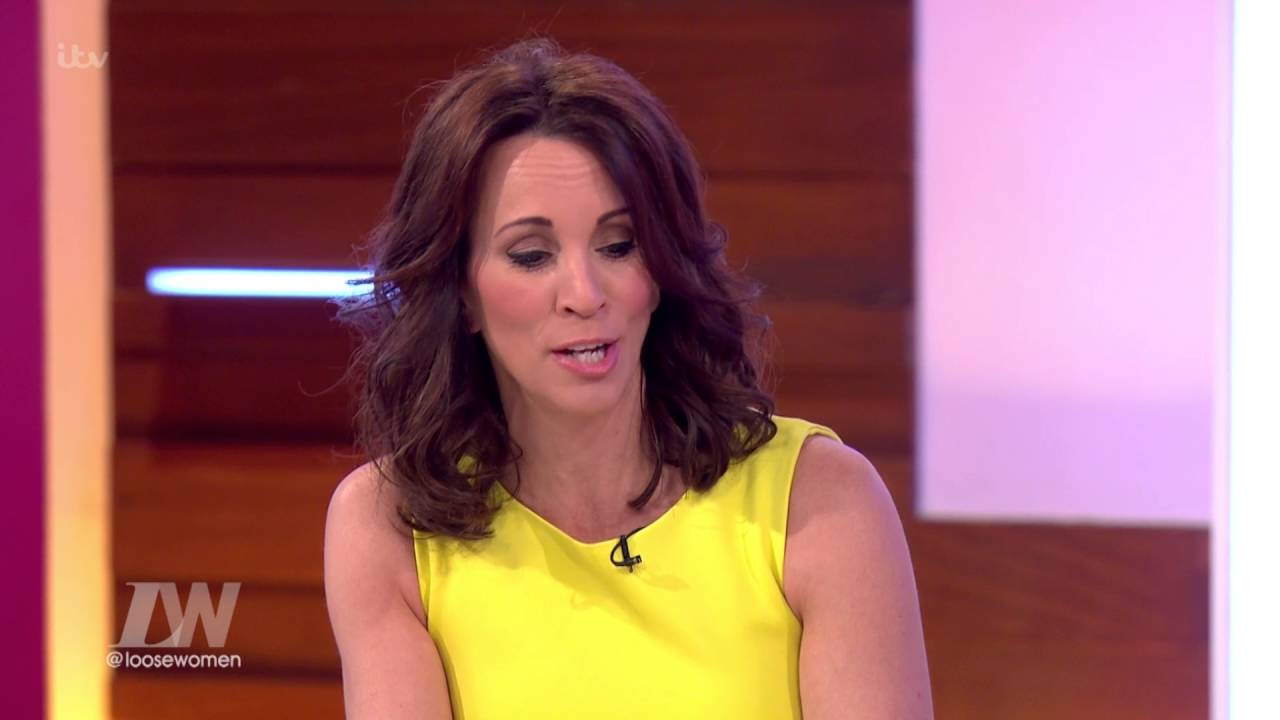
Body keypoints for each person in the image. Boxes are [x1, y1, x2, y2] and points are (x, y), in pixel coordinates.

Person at [323, 36, 932, 719]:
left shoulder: (821, 501)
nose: (585, 295)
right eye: (531, 255)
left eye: (619, 245)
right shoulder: (388, 526)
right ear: (460, 292)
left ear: (663, 269)